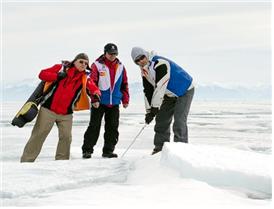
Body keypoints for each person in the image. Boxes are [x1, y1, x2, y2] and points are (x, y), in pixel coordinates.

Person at [20, 53, 101, 162]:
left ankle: (61, 163)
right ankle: (26, 161)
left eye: (86, 63)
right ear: (74, 61)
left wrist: (96, 94)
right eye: (81, 61)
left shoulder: (85, 78)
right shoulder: (60, 68)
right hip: (48, 110)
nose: (83, 65)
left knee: (66, 138)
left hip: (66, 114)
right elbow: (42, 74)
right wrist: (57, 76)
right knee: (39, 134)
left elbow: (93, 87)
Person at [131, 47, 194, 155]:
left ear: (145, 55)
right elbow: (148, 91)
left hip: (184, 90)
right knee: (161, 119)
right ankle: (160, 148)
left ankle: (181, 149)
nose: (140, 61)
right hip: (169, 94)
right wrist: (149, 111)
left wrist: (155, 107)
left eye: (142, 57)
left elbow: (160, 86)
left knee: (179, 121)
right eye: (137, 61)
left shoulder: (160, 63)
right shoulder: (144, 71)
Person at [82, 43, 129, 159]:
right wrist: (94, 99)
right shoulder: (97, 65)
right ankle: (87, 150)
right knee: (94, 126)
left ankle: (108, 151)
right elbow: (91, 83)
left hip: (114, 103)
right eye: (110, 53)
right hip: (99, 102)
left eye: (115, 54)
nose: (113, 56)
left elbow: (124, 84)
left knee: (113, 127)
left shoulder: (121, 67)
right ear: (105, 53)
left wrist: (125, 99)